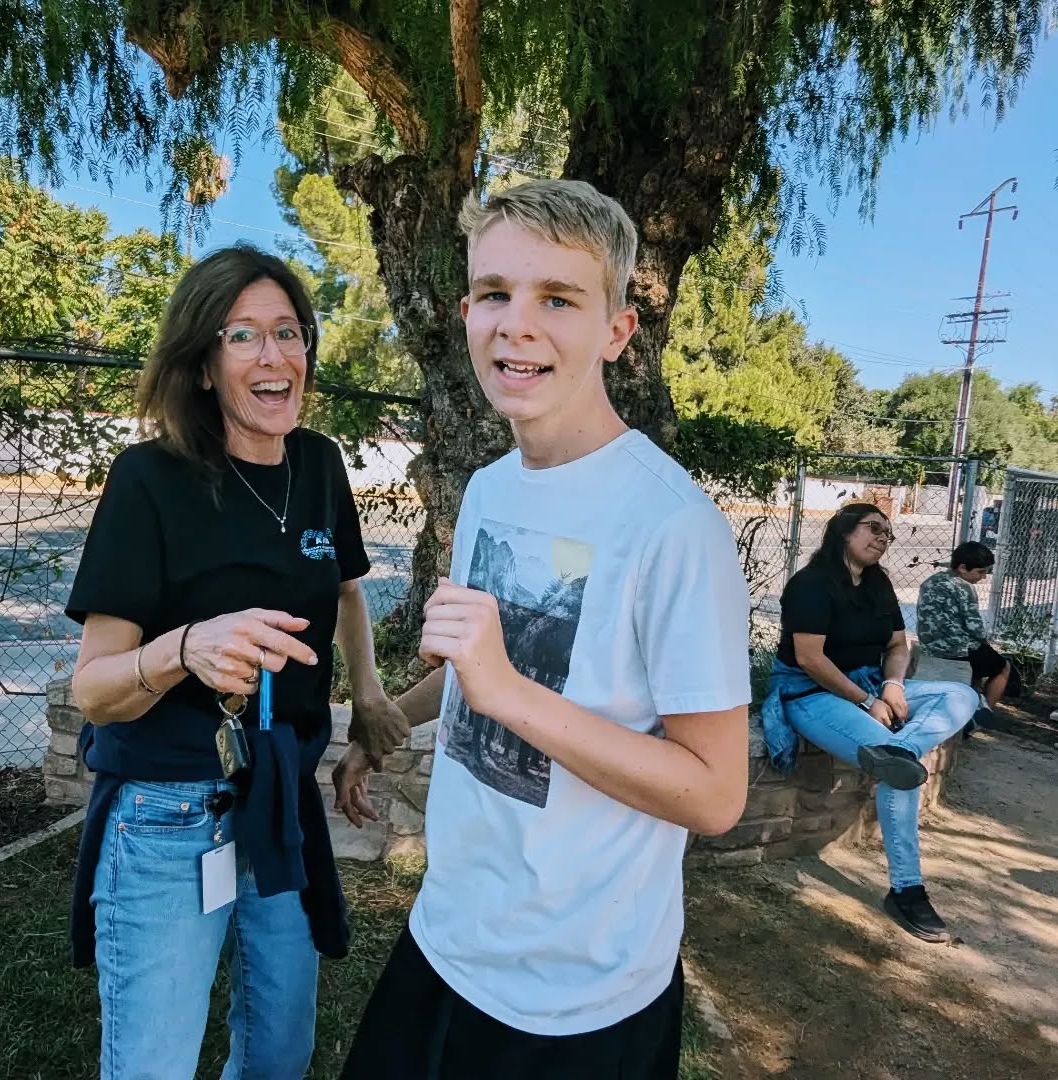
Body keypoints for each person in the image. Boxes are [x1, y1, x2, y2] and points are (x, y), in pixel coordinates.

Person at [332, 179, 753, 1079]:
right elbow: (489, 659)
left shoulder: (675, 526)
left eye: (557, 298)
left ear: (616, 331)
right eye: (495, 293)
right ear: (467, 312)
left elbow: (716, 795)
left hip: (580, 998)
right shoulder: (488, 488)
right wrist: (391, 720)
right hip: (448, 935)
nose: (516, 324)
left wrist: (508, 696)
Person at [64, 245, 408, 1079]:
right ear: (205, 364)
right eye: (244, 336)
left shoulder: (319, 464)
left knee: (280, 1052)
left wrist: (366, 696)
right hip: (167, 811)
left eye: (289, 332)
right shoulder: (149, 479)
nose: (273, 356)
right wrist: (186, 647)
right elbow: (93, 690)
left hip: (280, 796)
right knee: (155, 1065)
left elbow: (350, 590)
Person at [761, 503, 982, 944]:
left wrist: (894, 687)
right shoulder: (812, 584)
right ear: (844, 532)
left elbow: (899, 644)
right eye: (874, 529)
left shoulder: (879, 584)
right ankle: (907, 890)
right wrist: (867, 702)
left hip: (872, 686)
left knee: (964, 694)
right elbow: (809, 659)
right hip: (812, 695)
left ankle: (902, 749)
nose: (883, 538)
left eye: (888, 534)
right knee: (898, 775)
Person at [917, 541, 1017, 728]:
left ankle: (974, 699)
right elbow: (974, 627)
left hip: (929, 645)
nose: (984, 577)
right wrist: (985, 641)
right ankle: (984, 710)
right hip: (956, 649)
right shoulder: (964, 587)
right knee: (1003, 666)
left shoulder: (930, 581)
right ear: (962, 568)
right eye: (980, 572)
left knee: (978, 659)